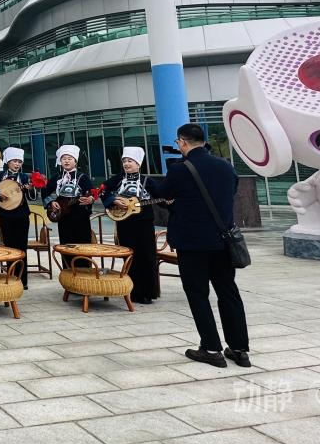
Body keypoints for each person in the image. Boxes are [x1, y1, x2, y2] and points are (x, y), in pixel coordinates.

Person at [148, 123, 250, 368]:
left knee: (198, 294)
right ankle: (239, 349)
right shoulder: (226, 166)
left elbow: (163, 194)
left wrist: (149, 183)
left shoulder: (181, 169)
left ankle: (211, 349)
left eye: (178, 143)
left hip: (192, 244)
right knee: (228, 292)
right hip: (223, 241)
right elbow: (226, 195)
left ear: (182, 142)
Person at [100, 146, 162, 305]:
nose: (126, 164)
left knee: (147, 256)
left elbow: (161, 196)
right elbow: (102, 190)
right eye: (125, 161)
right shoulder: (118, 179)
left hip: (144, 223)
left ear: (138, 164)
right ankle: (132, 291)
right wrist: (113, 200)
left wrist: (169, 201)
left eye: (130, 161)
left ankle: (147, 293)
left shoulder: (147, 180)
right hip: (125, 223)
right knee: (129, 256)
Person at [0, 146, 32, 288]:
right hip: (6, 215)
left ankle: (22, 279)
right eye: (14, 161)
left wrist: (31, 188)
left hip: (22, 215)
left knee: (22, 246)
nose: (17, 164)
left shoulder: (24, 177)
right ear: (8, 162)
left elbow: (31, 196)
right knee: (9, 246)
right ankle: (11, 277)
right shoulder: (0, 176)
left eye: (19, 162)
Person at [42, 144, 94, 253]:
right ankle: (67, 264)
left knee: (82, 247)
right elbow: (45, 191)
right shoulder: (57, 177)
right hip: (63, 217)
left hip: (80, 217)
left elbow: (92, 193)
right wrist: (51, 202)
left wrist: (91, 199)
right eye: (64, 159)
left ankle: (83, 265)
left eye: (70, 158)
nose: (66, 161)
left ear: (75, 161)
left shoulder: (83, 177)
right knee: (66, 246)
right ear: (60, 161)